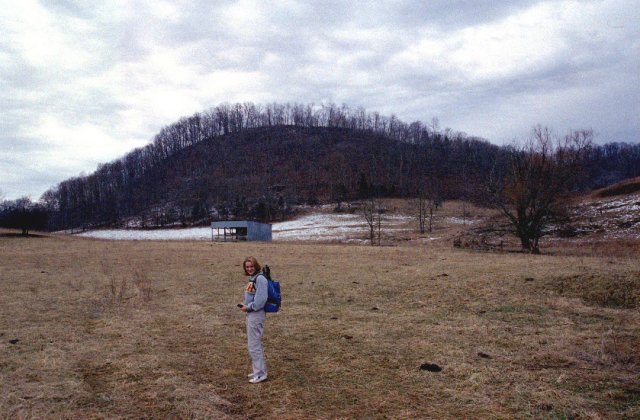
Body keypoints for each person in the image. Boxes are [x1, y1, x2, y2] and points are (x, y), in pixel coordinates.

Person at [238, 256, 268, 383]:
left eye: (251, 266)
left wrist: (249, 307)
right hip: (251, 314)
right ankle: (258, 371)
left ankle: (260, 374)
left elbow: (260, 300)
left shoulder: (260, 279)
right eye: (247, 267)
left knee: (254, 345)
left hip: (256, 314)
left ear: (256, 266)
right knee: (254, 344)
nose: (249, 269)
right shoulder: (254, 278)